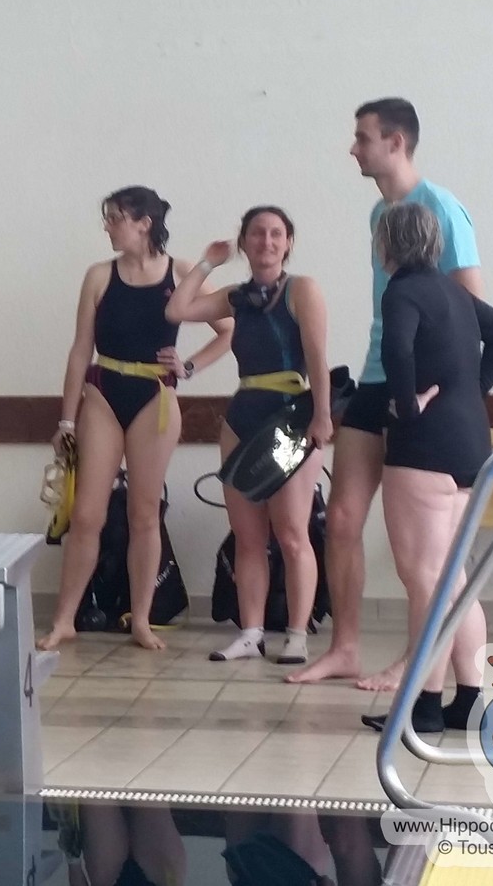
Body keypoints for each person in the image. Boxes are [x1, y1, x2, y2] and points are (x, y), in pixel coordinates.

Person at [288, 98, 486, 688]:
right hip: (376, 379)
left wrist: (454, 394)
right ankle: (345, 647)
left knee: (424, 559)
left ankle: (417, 665)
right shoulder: (381, 212)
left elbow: (474, 312)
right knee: (342, 517)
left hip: (423, 394)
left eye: (363, 138)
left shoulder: (441, 208)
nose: (354, 149)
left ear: (395, 142)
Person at [39, 187, 232, 652]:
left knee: (144, 514)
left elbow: (229, 329)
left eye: (115, 218)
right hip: (104, 393)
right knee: (87, 514)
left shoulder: (180, 272)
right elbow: (81, 349)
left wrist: (189, 366)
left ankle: (142, 620)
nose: (108, 226)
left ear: (144, 223)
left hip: (154, 398)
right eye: (107, 218)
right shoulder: (99, 276)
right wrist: (66, 421)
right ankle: (64, 619)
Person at [363, 203, 493, 733]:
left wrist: (406, 406)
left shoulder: (401, 292)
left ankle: (423, 703)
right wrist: (471, 391)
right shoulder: (455, 293)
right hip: (470, 443)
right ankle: (470, 697)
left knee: (425, 578)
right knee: (454, 576)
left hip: (424, 447)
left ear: (386, 245)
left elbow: (397, 350)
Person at [165, 207, 331, 666]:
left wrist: (322, 416)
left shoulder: (303, 290)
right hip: (243, 415)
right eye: (257, 233)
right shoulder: (236, 297)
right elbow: (177, 310)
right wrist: (207, 262)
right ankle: (250, 632)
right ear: (244, 242)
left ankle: (296, 633)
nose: (266, 241)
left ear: (289, 242)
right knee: (247, 536)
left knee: (292, 533)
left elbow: (318, 357)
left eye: (276, 233)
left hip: (290, 419)